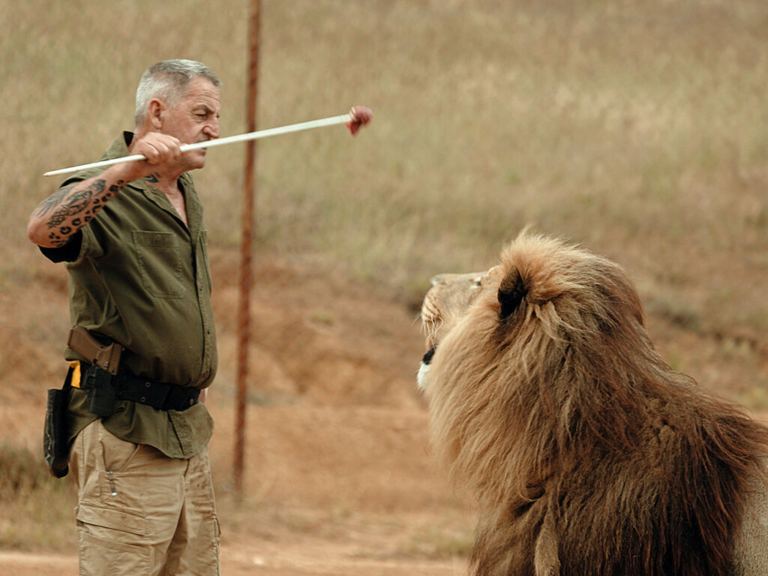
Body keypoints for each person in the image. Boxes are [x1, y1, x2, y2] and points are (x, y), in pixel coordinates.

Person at [27, 59, 371, 576]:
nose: (215, 128)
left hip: (186, 433)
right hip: (126, 430)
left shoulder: (184, 193)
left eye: (217, 115)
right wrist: (127, 169)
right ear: (158, 113)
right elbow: (43, 231)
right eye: (202, 113)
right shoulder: (108, 189)